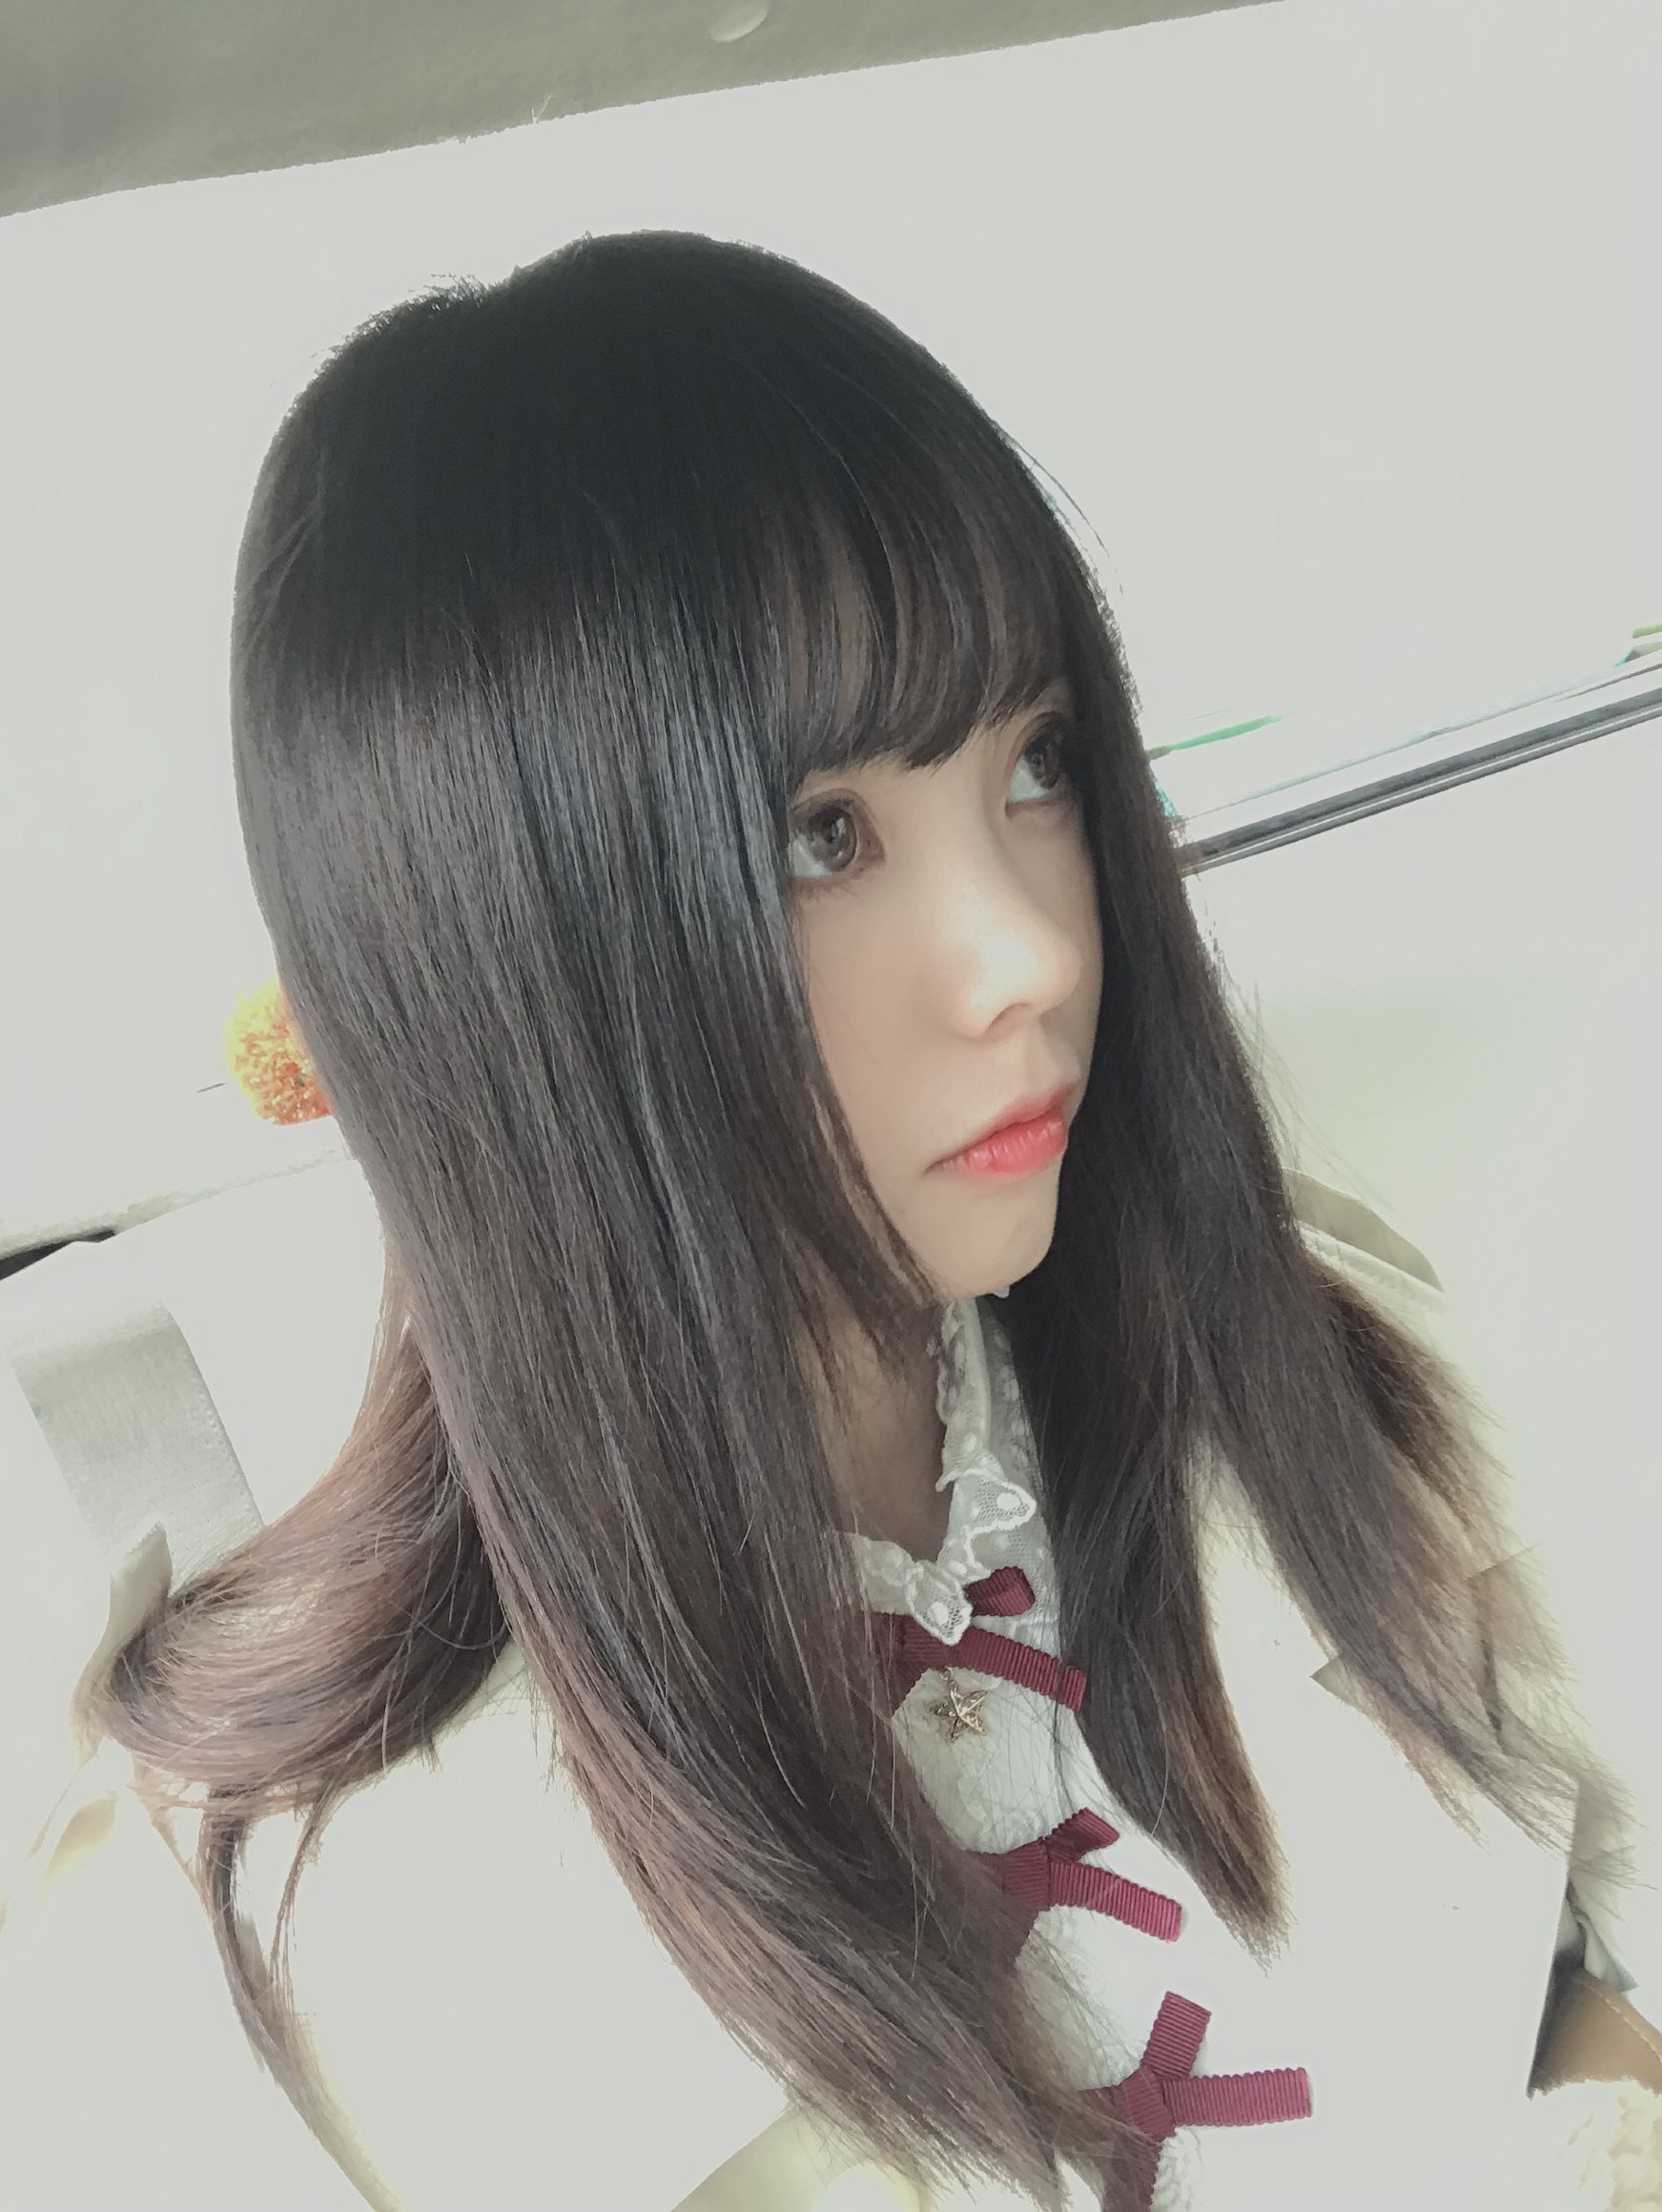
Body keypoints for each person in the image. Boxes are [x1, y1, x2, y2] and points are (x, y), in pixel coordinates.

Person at [5, 229, 1659, 2210]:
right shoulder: (265, 1932)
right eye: (822, 834)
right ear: (503, 954)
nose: (1028, 951)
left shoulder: (1299, 1357)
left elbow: (1591, 1922)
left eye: (1036, 762)